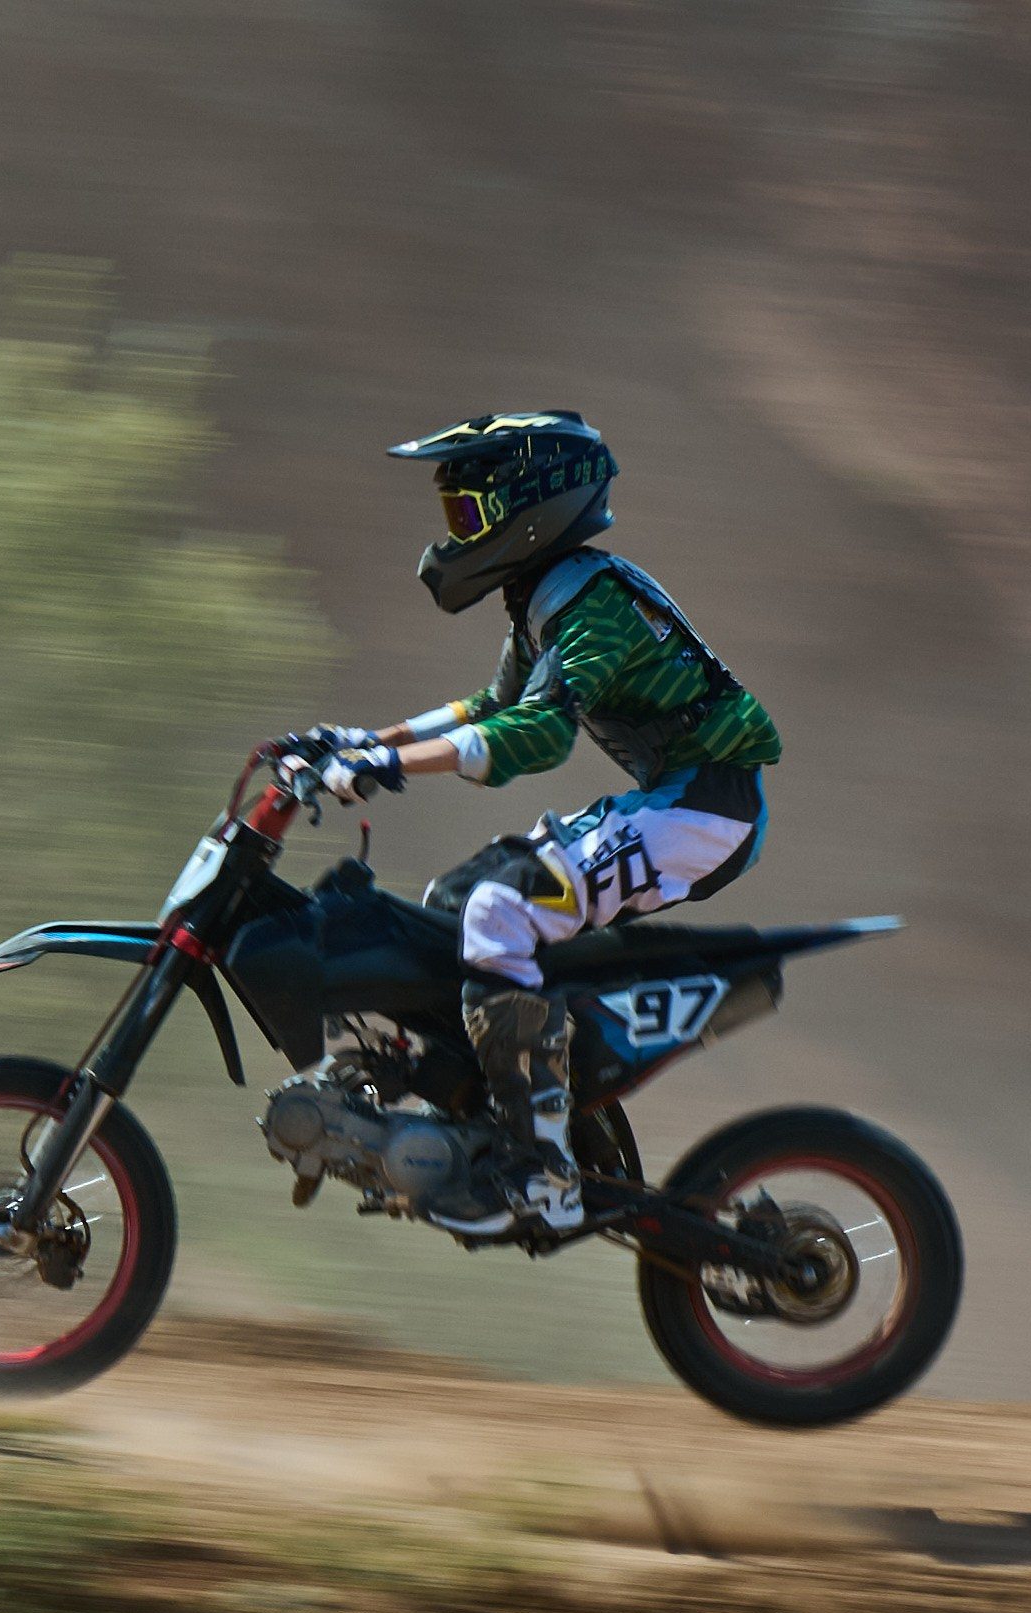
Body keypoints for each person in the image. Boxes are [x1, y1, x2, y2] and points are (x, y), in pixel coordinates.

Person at [289, 412, 781, 1236]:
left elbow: (541, 733)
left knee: (499, 911)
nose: (454, 537)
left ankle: (542, 1171)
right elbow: (489, 706)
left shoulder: (597, 605)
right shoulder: (553, 594)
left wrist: (390, 767)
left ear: (533, 511)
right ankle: (484, 1104)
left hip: (705, 810)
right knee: (453, 898)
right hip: (675, 800)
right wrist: (363, 741)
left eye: (468, 516)